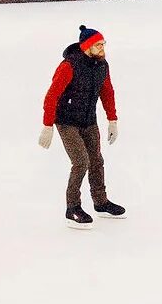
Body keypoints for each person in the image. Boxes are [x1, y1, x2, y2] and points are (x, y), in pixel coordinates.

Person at [38, 25, 125, 228]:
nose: (103, 48)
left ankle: (100, 202)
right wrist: (47, 125)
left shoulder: (102, 65)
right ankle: (72, 208)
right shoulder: (69, 66)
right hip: (67, 121)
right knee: (81, 162)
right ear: (87, 47)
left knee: (96, 160)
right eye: (98, 44)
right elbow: (52, 96)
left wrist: (112, 120)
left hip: (88, 120)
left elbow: (107, 91)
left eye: (104, 43)